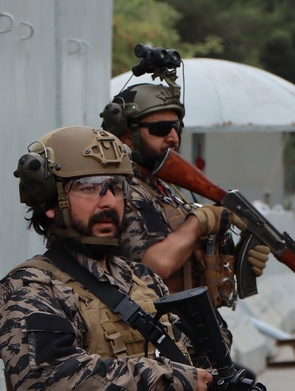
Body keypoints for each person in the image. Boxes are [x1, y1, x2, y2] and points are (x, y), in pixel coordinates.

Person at [0, 126, 211, 390]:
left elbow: (196, 354)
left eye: (117, 187)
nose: (109, 202)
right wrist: (171, 379)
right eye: (89, 187)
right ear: (49, 203)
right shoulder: (29, 289)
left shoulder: (142, 279)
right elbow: (49, 378)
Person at [101, 83, 270, 303]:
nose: (173, 137)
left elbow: (186, 260)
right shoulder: (124, 189)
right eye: (161, 128)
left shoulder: (162, 188)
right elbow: (157, 263)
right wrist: (200, 222)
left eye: (176, 127)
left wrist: (234, 259)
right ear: (127, 136)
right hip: (156, 329)